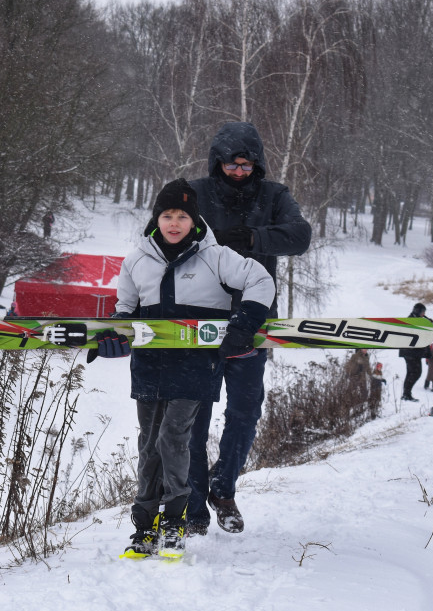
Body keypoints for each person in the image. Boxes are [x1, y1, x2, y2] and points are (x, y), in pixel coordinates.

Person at [94, 178, 274, 559]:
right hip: (149, 367)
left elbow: (261, 280)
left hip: (194, 367)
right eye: (167, 215)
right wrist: (116, 336)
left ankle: (176, 521)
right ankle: (146, 526)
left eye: (182, 216)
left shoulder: (216, 256)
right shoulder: (136, 259)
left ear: (194, 221)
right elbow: (124, 310)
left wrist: (243, 326)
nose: (174, 223)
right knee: (148, 445)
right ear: (156, 219)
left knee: (173, 440)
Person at [185, 121, 312, 536]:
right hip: (199, 317)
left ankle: (224, 488)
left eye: (246, 164)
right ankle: (194, 505)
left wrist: (253, 238)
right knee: (194, 413)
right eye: (231, 164)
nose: (239, 172)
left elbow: (299, 236)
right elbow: (163, 233)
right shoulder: (195, 193)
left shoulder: (274, 195)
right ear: (216, 161)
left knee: (245, 411)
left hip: (253, 319)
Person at [399, 303, 432, 402]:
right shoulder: (411, 320)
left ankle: (406, 394)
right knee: (416, 373)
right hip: (410, 352)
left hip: (412, 352)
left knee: (411, 373)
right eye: (423, 312)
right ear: (418, 312)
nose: (424, 314)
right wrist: (427, 323)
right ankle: (406, 394)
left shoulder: (416, 319)